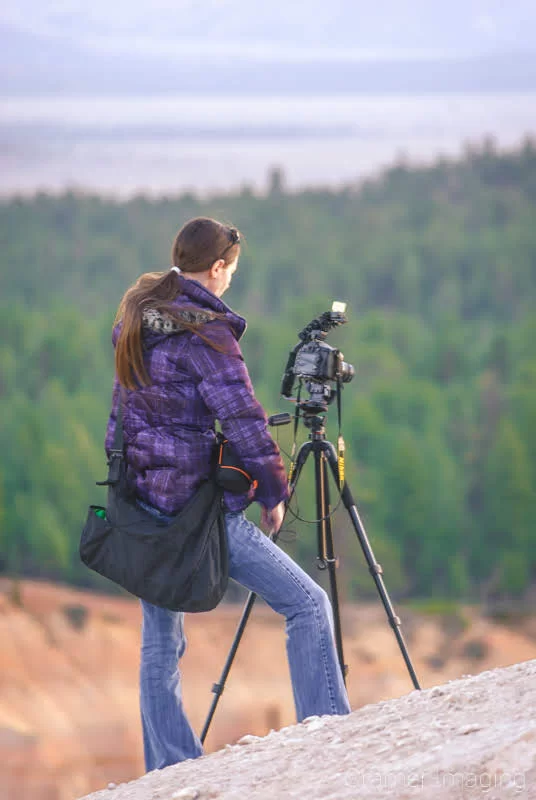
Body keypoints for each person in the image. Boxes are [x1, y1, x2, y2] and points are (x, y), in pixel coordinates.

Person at [105, 216, 350, 772]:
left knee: (161, 642)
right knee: (308, 604)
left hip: (143, 502)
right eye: (232, 270)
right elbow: (242, 420)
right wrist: (273, 490)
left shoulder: (135, 318)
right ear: (217, 268)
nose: (232, 279)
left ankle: (168, 767)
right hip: (195, 511)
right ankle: (331, 736)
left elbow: (123, 414)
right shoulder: (204, 335)